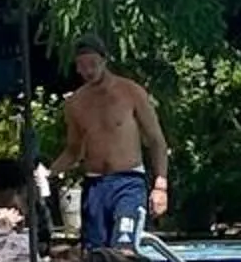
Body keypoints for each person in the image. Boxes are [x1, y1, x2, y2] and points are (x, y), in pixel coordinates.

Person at [54, 38, 168, 250]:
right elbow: (73, 150)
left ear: (104, 61)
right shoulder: (76, 103)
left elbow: (156, 140)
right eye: (83, 65)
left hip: (128, 181)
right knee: (95, 254)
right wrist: (48, 173)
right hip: (95, 185)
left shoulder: (130, 92)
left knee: (124, 248)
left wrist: (160, 185)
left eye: (93, 64)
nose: (88, 71)